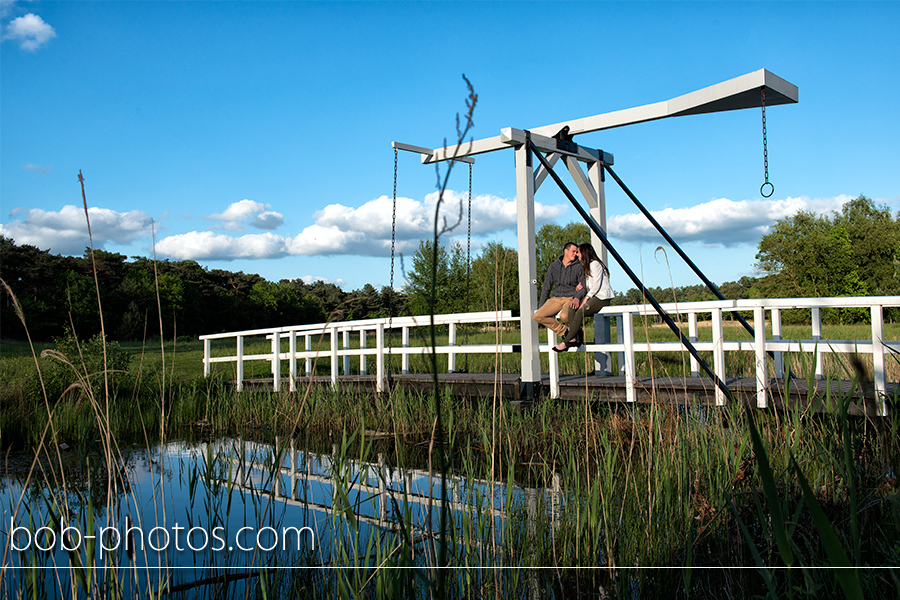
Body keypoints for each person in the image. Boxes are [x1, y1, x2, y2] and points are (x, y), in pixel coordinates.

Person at [553, 243, 613, 352]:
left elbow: (596, 286)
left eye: (578, 252)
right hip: (593, 296)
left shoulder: (595, 264)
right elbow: (588, 286)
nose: (577, 254)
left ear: (584, 253)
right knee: (572, 308)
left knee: (580, 312)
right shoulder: (586, 266)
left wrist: (586, 299)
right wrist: (578, 289)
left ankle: (566, 342)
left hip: (602, 298)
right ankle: (576, 336)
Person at [533, 242, 585, 338]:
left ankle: (577, 331)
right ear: (566, 251)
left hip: (571, 297)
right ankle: (564, 332)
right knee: (538, 316)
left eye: (577, 252)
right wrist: (542, 305)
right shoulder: (553, 267)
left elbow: (584, 287)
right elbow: (546, 287)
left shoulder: (579, 267)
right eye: (573, 251)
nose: (576, 254)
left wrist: (577, 297)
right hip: (556, 298)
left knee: (565, 316)